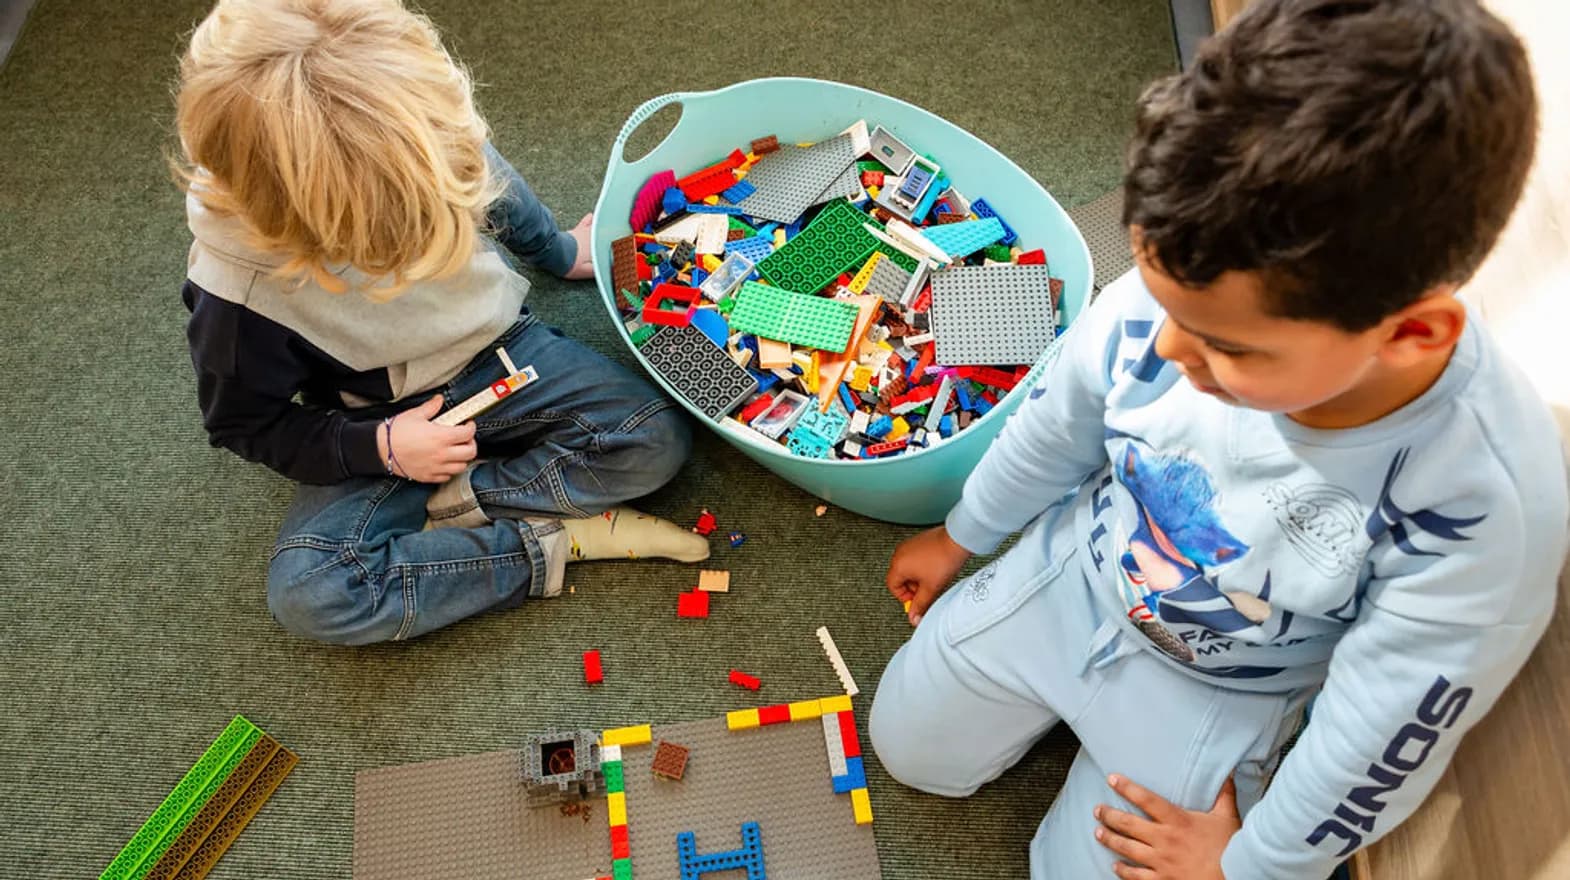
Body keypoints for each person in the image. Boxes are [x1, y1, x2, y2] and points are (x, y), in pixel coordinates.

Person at [869, 1, 1566, 877]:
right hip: (1074, 579)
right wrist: (961, 532)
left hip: (1226, 694)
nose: (1163, 348)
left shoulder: (1481, 510)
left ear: (1409, 335)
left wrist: (1249, 864)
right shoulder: (1183, 296)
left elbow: (1380, 738)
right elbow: (1058, 420)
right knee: (907, 745)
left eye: (1228, 346)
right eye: (1161, 302)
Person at [174, 0, 707, 646]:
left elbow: (492, 179)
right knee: (312, 592)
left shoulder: (416, 120)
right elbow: (244, 424)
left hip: (501, 352)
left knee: (655, 439)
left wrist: (561, 252)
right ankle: (547, 545)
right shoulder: (237, 298)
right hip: (383, 414)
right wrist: (382, 448)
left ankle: (453, 506)